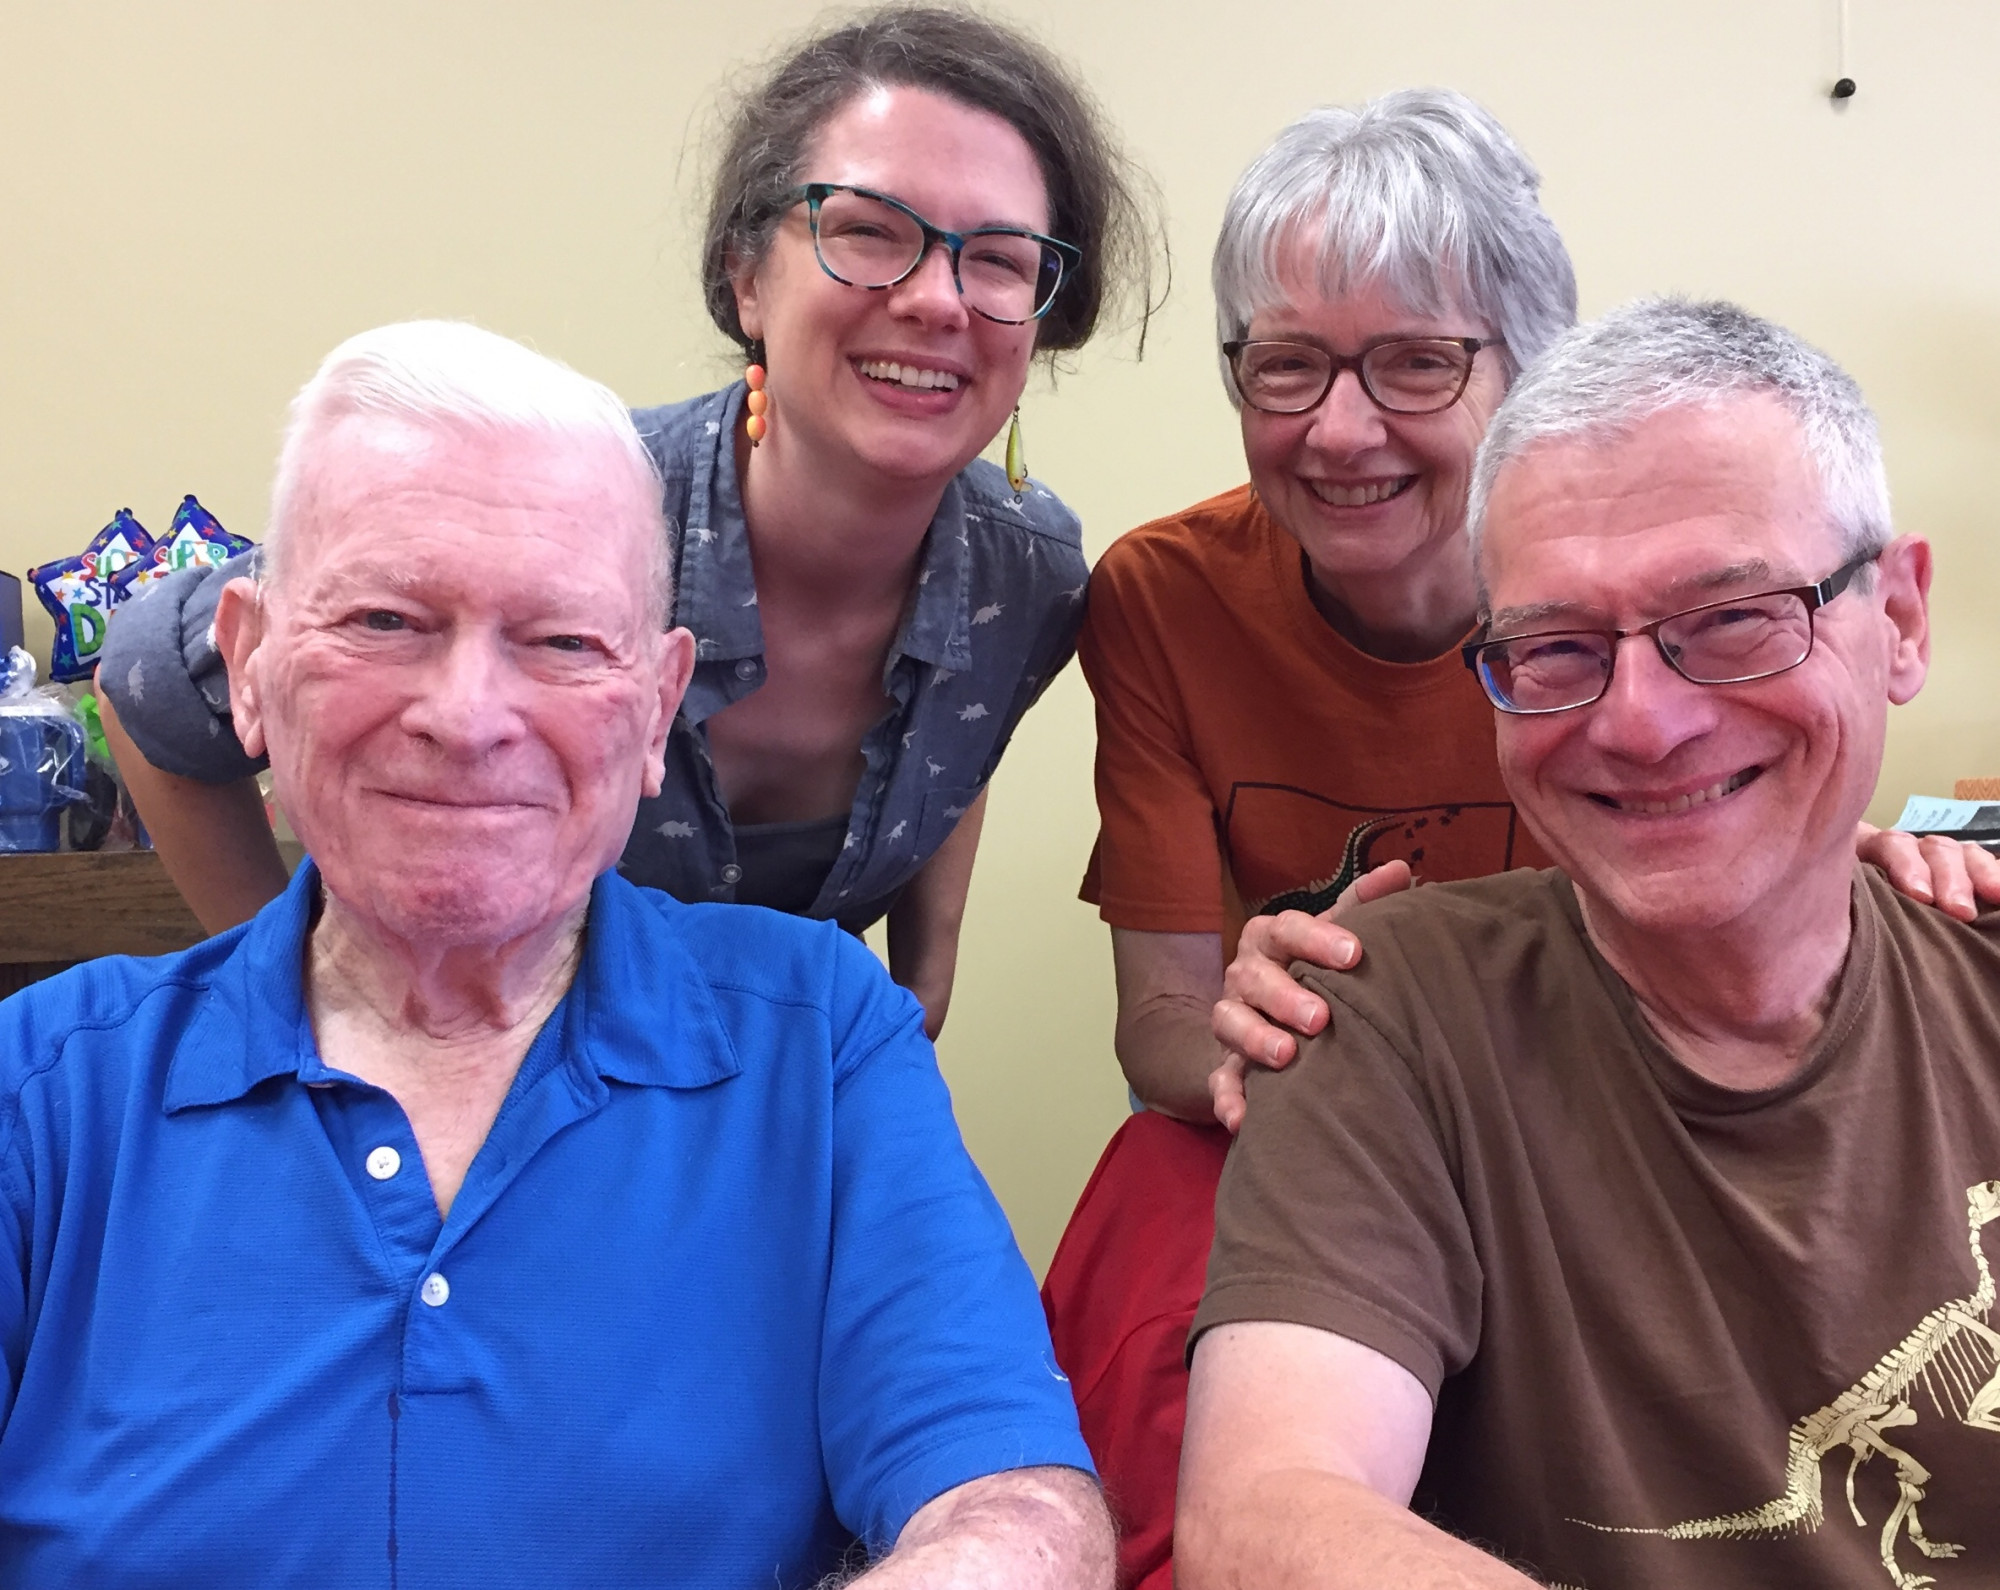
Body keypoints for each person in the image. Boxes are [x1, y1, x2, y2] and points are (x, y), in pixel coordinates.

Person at [1038, 91, 1992, 1590]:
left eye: (1416, 360)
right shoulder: (1164, 598)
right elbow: (1158, 1023)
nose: (1340, 428)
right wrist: (1272, 1027)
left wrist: (1826, 843)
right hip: (1386, 1098)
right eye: (1286, 363)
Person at [0, 321, 1111, 1587]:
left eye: (564, 642)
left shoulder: (819, 1043)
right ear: (250, 668)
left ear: (653, 708)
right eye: (386, 618)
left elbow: (1015, 1515)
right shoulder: (44, 1089)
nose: (468, 717)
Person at [95, 4, 1157, 1037]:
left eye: (999, 258)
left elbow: (953, 743)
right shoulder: (569, 505)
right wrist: (291, 990)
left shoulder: (1030, 577)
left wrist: (925, 977)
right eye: (867, 233)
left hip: (766, 1112)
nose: (936, 299)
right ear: (746, 279)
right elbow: (146, 680)